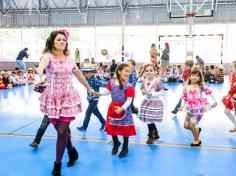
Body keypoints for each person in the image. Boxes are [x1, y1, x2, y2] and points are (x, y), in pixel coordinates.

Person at [37, 30, 95, 176]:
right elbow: (41, 68)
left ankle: (57, 165)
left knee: (62, 131)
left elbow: (79, 75)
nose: (62, 42)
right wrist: (39, 77)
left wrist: (88, 88)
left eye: (64, 40)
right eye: (58, 40)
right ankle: (71, 151)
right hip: (52, 98)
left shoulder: (70, 60)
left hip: (68, 97)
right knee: (61, 132)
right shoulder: (47, 56)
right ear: (52, 42)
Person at [99, 63, 136, 158]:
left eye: (129, 71)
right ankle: (116, 142)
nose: (128, 73)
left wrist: (122, 108)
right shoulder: (111, 82)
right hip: (113, 108)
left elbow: (129, 100)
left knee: (125, 128)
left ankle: (125, 146)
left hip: (124, 109)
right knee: (112, 127)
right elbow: (107, 91)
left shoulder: (129, 86)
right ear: (119, 71)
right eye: (126, 71)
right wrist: (98, 94)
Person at [180, 69, 217, 146]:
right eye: (193, 75)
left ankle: (197, 140)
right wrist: (182, 105)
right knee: (186, 126)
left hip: (198, 110)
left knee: (191, 125)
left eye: (197, 76)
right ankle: (197, 130)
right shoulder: (186, 87)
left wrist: (214, 101)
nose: (195, 77)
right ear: (190, 76)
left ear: (200, 78)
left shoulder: (200, 86)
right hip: (189, 109)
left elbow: (209, 92)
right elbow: (184, 97)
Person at [139, 64, 166, 144]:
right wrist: (143, 92)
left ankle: (151, 136)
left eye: (151, 70)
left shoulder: (157, 81)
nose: (149, 72)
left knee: (149, 120)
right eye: (147, 71)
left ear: (155, 72)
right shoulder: (144, 81)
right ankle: (155, 134)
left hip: (155, 103)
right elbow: (142, 91)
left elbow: (163, 92)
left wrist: (153, 94)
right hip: (146, 102)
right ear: (144, 72)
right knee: (148, 119)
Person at [77, 66, 107, 132]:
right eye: (85, 73)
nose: (87, 74)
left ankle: (84, 127)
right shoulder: (86, 79)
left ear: (92, 73)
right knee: (96, 112)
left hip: (94, 99)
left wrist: (114, 84)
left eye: (89, 73)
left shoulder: (95, 80)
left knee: (88, 113)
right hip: (90, 99)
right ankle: (104, 123)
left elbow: (105, 84)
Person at [222, 61, 236, 132]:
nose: (230, 68)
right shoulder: (231, 76)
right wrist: (227, 94)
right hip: (232, 97)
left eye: (231, 67)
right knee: (226, 111)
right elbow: (232, 88)